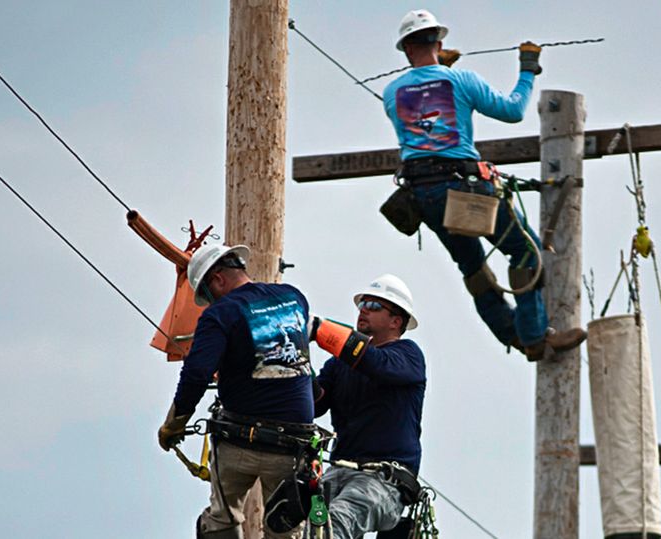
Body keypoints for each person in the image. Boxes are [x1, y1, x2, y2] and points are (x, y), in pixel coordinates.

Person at [382, 9, 586, 361]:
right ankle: (535, 336)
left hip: (423, 196)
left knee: (474, 270)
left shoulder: (392, 92)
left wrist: (443, 68)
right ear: (439, 42)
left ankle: (514, 335)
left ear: (404, 49)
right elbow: (512, 110)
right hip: (464, 188)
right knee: (525, 253)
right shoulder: (461, 81)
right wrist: (527, 70)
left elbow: (427, 102)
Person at [157, 243, 318, 539]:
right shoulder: (295, 298)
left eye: (207, 295)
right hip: (292, 445)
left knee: (223, 519)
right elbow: (300, 358)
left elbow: (196, 373)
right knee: (285, 528)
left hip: (239, 442)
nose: (209, 303)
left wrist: (174, 424)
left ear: (217, 279)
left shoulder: (221, 313)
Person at [312, 274, 426, 539]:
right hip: (337, 473)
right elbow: (313, 404)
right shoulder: (340, 365)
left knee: (335, 523)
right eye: (362, 303)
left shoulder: (408, 356)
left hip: (384, 481)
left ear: (396, 321)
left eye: (374, 306)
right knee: (298, 523)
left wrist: (320, 330)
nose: (364, 309)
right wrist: (296, 362)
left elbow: (375, 364)